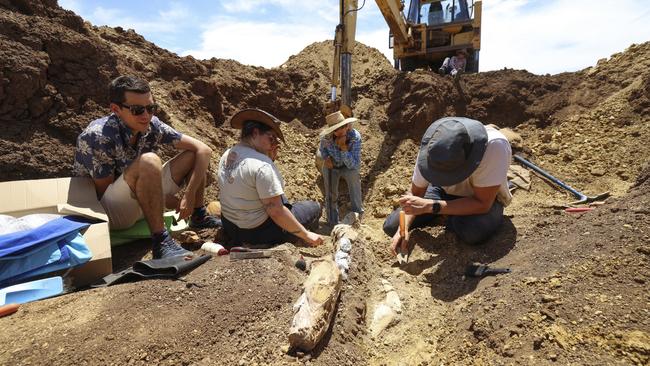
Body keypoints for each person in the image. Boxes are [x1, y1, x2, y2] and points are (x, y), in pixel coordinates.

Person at [74, 75, 221, 259]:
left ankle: (199, 215)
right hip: (108, 210)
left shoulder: (152, 125)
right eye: (137, 110)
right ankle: (161, 242)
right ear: (116, 109)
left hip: (137, 195)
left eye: (150, 108)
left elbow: (204, 150)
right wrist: (165, 199)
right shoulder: (98, 135)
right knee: (150, 161)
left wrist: (189, 196)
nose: (146, 115)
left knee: (193, 155)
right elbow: (103, 194)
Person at [383, 117, 512, 256]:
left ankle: (451, 216)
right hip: (442, 192)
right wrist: (403, 228)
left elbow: (482, 203)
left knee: (472, 231)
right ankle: (451, 215)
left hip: (482, 197)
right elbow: (415, 194)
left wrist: (431, 206)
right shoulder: (434, 147)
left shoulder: (494, 147)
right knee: (391, 226)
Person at [217, 108, 323, 247]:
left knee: (279, 198)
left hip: (231, 226)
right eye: (271, 138)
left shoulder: (228, 154)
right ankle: (298, 237)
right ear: (255, 133)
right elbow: (275, 211)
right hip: (257, 232)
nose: (273, 144)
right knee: (314, 207)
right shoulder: (262, 165)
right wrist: (307, 235)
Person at [319, 110, 364, 225]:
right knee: (331, 193)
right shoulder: (326, 138)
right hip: (333, 165)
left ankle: (357, 217)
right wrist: (326, 158)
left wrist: (343, 148)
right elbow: (322, 149)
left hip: (348, 166)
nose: (340, 131)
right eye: (336, 129)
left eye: (343, 127)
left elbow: (354, 164)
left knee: (354, 182)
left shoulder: (355, 137)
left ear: (347, 125)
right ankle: (332, 221)